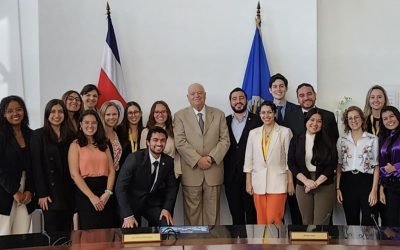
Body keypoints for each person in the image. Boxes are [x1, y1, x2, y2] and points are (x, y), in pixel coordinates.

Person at [174, 83, 230, 225]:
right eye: (193, 94)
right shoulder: (180, 116)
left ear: (205, 95)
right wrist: (198, 160)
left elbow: (225, 140)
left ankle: (211, 244)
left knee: (213, 214)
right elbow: (180, 142)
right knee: (192, 216)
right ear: (188, 97)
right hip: (191, 172)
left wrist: (210, 158)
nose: (196, 95)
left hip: (213, 171)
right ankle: (194, 244)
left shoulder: (219, 114)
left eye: (200, 93)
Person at [116, 127, 179, 227]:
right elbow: (120, 187)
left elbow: (172, 187)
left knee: (167, 226)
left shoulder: (168, 161)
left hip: (152, 205)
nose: (159, 144)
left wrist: (166, 209)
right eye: (155, 140)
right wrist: (127, 215)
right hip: (131, 204)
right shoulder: (134, 158)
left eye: (163, 140)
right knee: (130, 233)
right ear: (148, 142)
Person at [244, 101, 293, 224]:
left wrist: (290, 182)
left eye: (269, 112)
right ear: (259, 114)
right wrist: (248, 182)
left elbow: (290, 160)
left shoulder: (285, 132)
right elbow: (249, 159)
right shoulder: (253, 133)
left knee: (273, 219)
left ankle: (275, 244)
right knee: (261, 220)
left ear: (275, 113)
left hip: (278, 183)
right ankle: (264, 244)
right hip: (258, 183)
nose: (266, 115)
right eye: (263, 113)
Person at [31, 99, 75, 232]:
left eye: (60, 111)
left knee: (67, 232)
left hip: (68, 191)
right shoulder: (38, 135)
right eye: (53, 111)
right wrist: (42, 193)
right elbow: (36, 166)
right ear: (47, 114)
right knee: (53, 232)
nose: (57, 115)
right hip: (49, 194)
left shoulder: (71, 136)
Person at [288, 108, 337, 225]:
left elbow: (332, 164)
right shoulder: (296, 139)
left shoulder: (328, 140)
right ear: (306, 121)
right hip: (303, 183)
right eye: (312, 120)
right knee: (307, 223)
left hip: (324, 183)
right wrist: (306, 181)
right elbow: (291, 163)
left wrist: (315, 183)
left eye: (319, 121)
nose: (315, 124)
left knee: (320, 224)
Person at [68, 110, 116, 229]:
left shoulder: (104, 144)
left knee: (108, 230)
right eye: (86, 122)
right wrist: (91, 197)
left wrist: (108, 193)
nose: (90, 126)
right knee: (90, 232)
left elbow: (111, 170)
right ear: (80, 125)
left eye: (94, 123)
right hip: (86, 192)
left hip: (105, 191)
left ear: (98, 125)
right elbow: (74, 174)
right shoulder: (75, 145)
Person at [268, 73, 303, 225]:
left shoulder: (298, 110)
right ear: (270, 90)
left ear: (286, 88)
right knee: (276, 213)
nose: (278, 89)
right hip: (273, 171)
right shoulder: (265, 112)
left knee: (296, 209)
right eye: (274, 86)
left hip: (295, 167)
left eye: (281, 86)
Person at [224, 88, 262, 225]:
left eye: (241, 98)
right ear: (230, 102)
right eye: (234, 99)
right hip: (230, 177)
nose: (238, 101)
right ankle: (238, 244)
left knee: (252, 213)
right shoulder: (224, 121)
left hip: (252, 176)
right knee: (236, 214)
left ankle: (254, 245)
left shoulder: (258, 120)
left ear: (246, 100)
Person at [336, 106, 379, 226]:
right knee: (351, 220)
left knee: (369, 219)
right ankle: (352, 244)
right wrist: (338, 188)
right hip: (347, 181)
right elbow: (339, 165)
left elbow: (376, 166)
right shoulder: (342, 140)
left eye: (356, 117)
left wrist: (374, 190)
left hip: (366, 181)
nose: (353, 120)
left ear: (362, 119)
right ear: (346, 121)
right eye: (350, 118)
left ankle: (369, 245)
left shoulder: (372, 139)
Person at [0, 96, 35, 235]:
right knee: (4, 234)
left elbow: (34, 166)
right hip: (5, 192)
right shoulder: (1, 135)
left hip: (26, 194)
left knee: (22, 236)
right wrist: (15, 191)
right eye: (10, 111)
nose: (15, 114)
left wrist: (29, 190)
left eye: (19, 109)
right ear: (3, 113)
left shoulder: (32, 135)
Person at [139, 100, 181, 176]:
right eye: (157, 112)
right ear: (152, 114)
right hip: (152, 173)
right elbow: (143, 155)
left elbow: (178, 153)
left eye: (163, 111)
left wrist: (177, 171)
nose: (160, 114)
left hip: (171, 172)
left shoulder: (174, 130)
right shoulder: (146, 131)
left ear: (168, 113)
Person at [379, 106, 400, 227]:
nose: (389, 120)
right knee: (391, 223)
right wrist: (381, 190)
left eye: (391, 116)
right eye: (385, 118)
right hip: (390, 187)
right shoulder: (383, 137)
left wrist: (396, 167)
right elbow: (382, 165)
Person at [117, 101, 144, 166]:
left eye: (136, 112)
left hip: (140, 172)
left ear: (140, 114)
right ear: (126, 115)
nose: (133, 115)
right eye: (130, 113)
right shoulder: (118, 131)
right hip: (123, 171)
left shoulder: (145, 132)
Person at [99, 101, 123, 172]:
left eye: (114, 114)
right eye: (108, 114)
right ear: (103, 116)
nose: (111, 117)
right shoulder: (98, 135)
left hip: (117, 176)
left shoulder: (119, 133)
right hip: (102, 177)